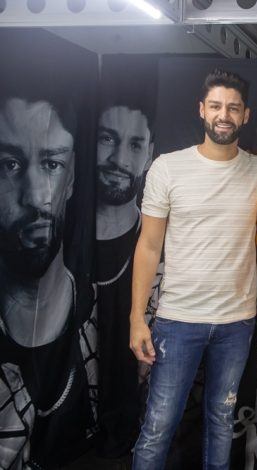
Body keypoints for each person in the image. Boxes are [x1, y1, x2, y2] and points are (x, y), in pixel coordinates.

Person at [129, 69, 257, 470]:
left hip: (236, 322)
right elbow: (148, 246)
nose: (223, 115)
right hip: (178, 320)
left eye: (233, 107)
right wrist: (137, 318)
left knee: (221, 422)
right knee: (158, 425)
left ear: (245, 115)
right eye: (215, 106)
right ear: (202, 110)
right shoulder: (168, 168)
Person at [0, 97, 97, 468]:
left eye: (51, 164)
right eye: (10, 164)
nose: (35, 196)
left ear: (70, 178)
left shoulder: (100, 319)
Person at [94, 104, 154, 458]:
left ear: (149, 153)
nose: (119, 159)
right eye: (107, 139)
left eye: (134, 144)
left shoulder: (160, 250)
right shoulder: (55, 243)